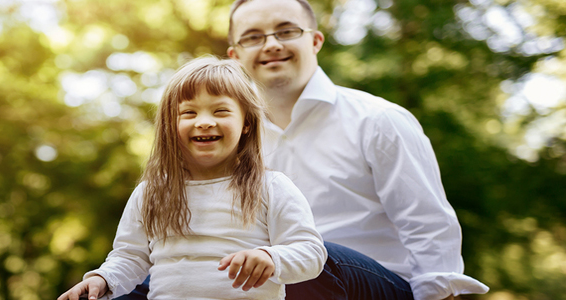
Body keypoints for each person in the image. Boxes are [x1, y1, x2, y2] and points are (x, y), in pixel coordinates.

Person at [224, 0, 490, 299]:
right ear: (234, 56)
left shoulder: (379, 120)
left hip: (378, 286)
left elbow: (428, 225)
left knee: (309, 260)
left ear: (315, 41)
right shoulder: (227, 142)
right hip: (270, 287)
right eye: (253, 36)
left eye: (286, 31)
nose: (271, 44)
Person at [58, 57, 326, 300]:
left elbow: (311, 253)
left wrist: (271, 257)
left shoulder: (270, 187)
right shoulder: (150, 193)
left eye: (220, 111)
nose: (205, 121)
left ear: (246, 123)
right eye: (189, 113)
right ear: (170, 126)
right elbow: (131, 256)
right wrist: (103, 278)